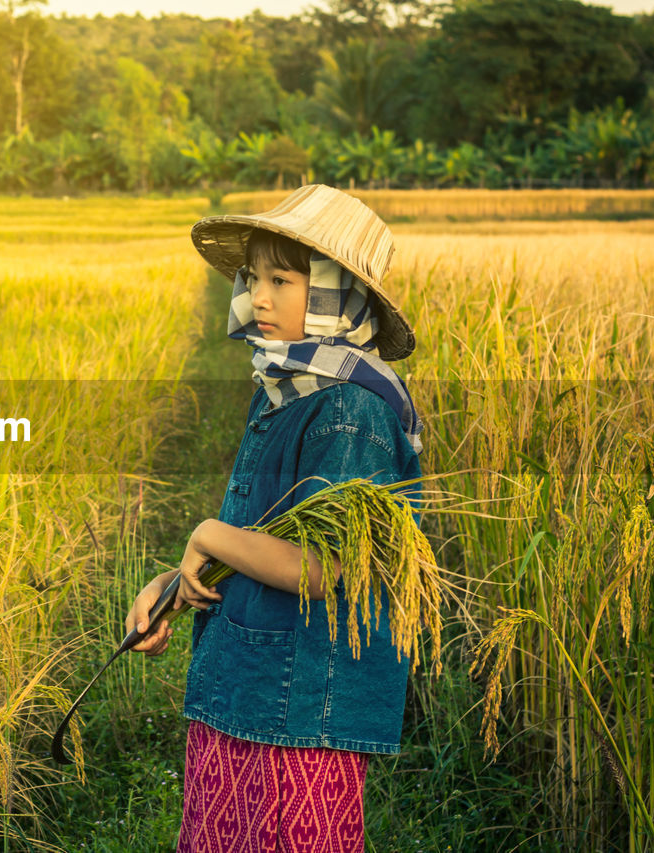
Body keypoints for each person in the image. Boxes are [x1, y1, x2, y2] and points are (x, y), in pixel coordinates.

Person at [123, 184, 425, 852]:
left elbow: (325, 568)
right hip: (245, 688)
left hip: (302, 709)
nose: (259, 297)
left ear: (338, 295)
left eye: (283, 280)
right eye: (253, 277)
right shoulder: (289, 389)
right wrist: (174, 587)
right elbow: (263, 535)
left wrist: (205, 534)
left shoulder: (351, 410)